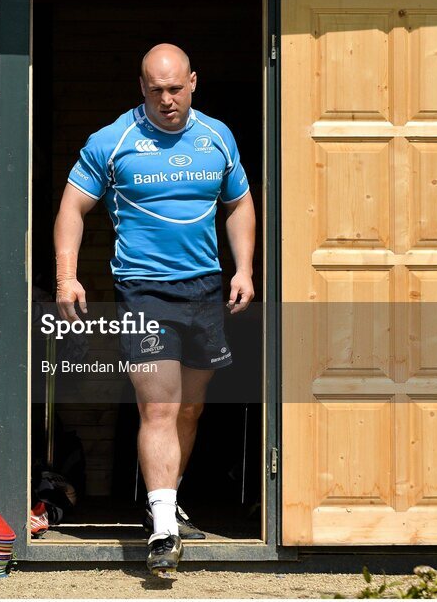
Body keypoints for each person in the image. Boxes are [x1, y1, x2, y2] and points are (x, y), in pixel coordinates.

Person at [53, 43, 256, 575]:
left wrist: (243, 269)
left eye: (175, 88)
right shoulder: (113, 140)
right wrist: (67, 276)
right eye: (155, 89)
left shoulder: (218, 137)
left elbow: (238, 203)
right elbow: (73, 207)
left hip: (205, 290)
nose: (166, 100)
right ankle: (164, 529)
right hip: (143, 291)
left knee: (190, 408)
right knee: (160, 408)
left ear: (194, 81)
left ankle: (161, 501)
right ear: (140, 86)